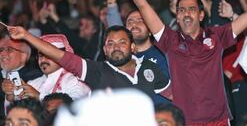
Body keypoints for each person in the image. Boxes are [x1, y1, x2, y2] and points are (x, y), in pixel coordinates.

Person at [114, 0, 247, 125]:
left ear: (201, 15)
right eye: (181, 10)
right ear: (176, 16)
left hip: (219, 121)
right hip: (186, 122)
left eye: (191, 9)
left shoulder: (217, 36)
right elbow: (142, 4)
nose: (186, 13)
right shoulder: (169, 40)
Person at [5, 25, 172, 103]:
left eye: (122, 42)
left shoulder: (149, 68)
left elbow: (173, 97)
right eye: (110, 44)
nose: (116, 48)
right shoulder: (98, 71)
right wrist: (26, 36)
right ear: (105, 50)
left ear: (133, 47)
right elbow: (63, 57)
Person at [26, 34, 90, 101]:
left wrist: (39, 97)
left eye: (48, 55)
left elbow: (72, 107)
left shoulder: (74, 82)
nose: (43, 60)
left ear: (60, 56)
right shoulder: (33, 83)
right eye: (40, 56)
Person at [0, 38, 42, 118]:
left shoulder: (36, 78)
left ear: (23, 56)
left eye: (9, 49)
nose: (2, 53)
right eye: (1, 50)